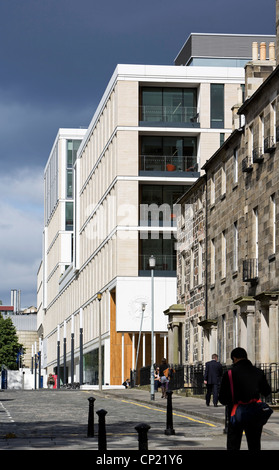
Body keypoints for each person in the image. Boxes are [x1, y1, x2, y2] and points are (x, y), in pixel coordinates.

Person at [218, 347, 271, 451]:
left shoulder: (229, 374)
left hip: (236, 412)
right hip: (254, 411)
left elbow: (222, 398)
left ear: (234, 358)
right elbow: (267, 392)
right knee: (254, 444)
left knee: (233, 444)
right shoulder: (258, 372)